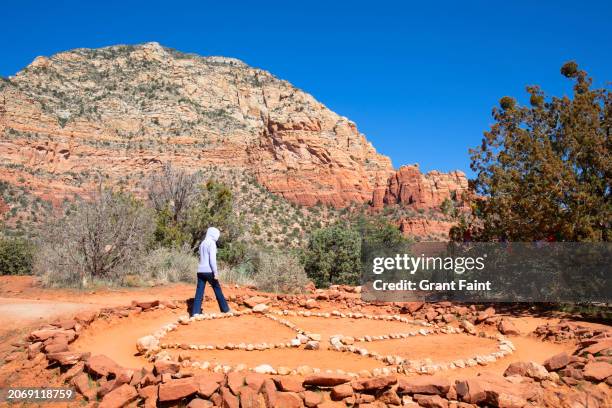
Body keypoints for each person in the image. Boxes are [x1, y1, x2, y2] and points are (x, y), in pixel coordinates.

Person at [191, 227, 230, 316]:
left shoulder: (202, 243)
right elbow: (212, 260)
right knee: (217, 289)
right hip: (209, 271)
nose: (217, 236)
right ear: (213, 234)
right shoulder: (212, 243)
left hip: (200, 271)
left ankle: (195, 313)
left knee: (199, 291)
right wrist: (215, 272)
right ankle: (226, 310)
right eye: (217, 234)